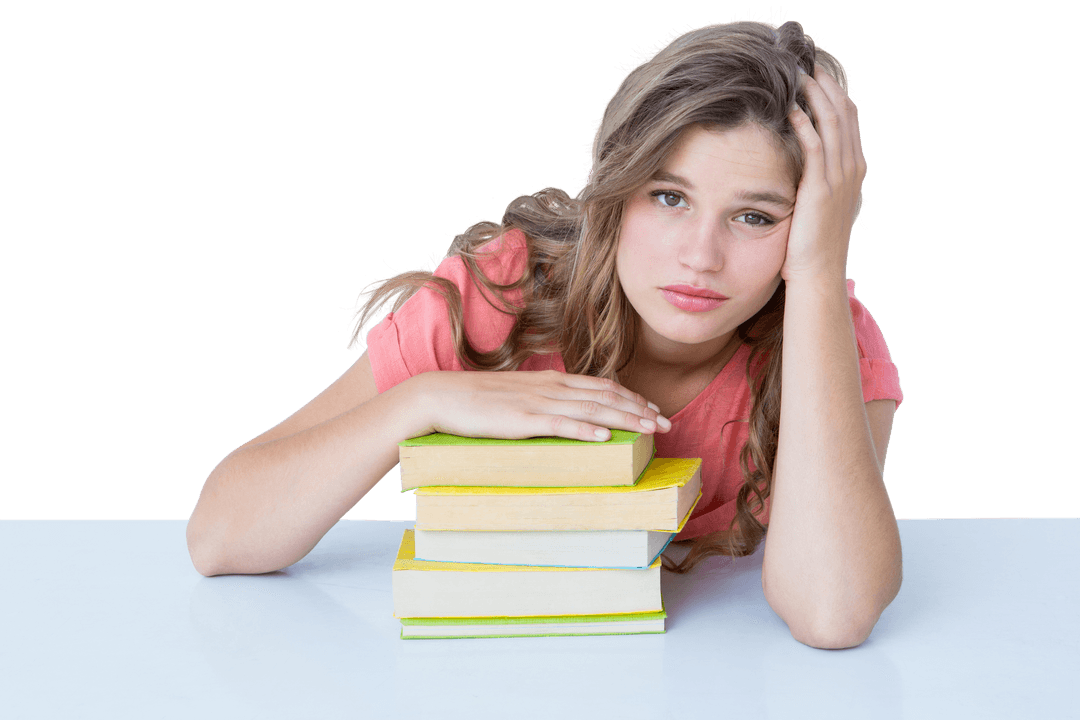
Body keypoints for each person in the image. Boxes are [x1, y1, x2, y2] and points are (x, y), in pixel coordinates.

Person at [187, 18, 904, 649]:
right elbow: (220, 536)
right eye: (668, 196)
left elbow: (832, 613)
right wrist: (419, 403)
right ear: (612, 189)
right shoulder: (502, 295)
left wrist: (817, 273)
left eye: (755, 216)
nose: (700, 256)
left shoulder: (830, 341)